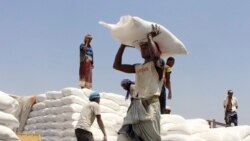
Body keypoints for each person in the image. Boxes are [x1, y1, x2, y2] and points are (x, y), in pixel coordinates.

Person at [114, 25, 164, 141]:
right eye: (141, 47)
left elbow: (156, 58)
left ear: (154, 48)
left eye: (146, 46)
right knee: (123, 136)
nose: (143, 48)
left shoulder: (159, 65)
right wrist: (123, 45)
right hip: (136, 107)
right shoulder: (138, 67)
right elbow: (117, 65)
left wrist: (150, 37)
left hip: (150, 107)